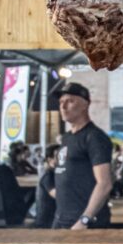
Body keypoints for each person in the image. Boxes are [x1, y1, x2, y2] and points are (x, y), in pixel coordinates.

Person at [51, 83, 112, 230]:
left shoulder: (94, 137)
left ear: (85, 104)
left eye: (70, 101)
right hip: (61, 219)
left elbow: (105, 183)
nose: (63, 106)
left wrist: (85, 219)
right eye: (61, 102)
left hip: (84, 224)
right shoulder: (66, 138)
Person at [34, 145, 60, 229]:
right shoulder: (48, 175)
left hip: (54, 218)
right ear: (50, 160)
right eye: (58, 156)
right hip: (47, 223)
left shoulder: (56, 173)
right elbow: (58, 195)